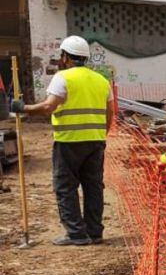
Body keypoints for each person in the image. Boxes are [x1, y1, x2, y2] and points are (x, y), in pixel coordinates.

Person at [10, 35, 112, 246]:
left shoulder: (63, 77)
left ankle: (76, 234)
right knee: (93, 187)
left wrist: (24, 108)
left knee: (65, 186)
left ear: (65, 56)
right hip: (95, 141)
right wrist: (102, 134)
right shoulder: (102, 80)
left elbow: (49, 106)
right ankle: (94, 232)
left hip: (69, 142)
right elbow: (110, 113)